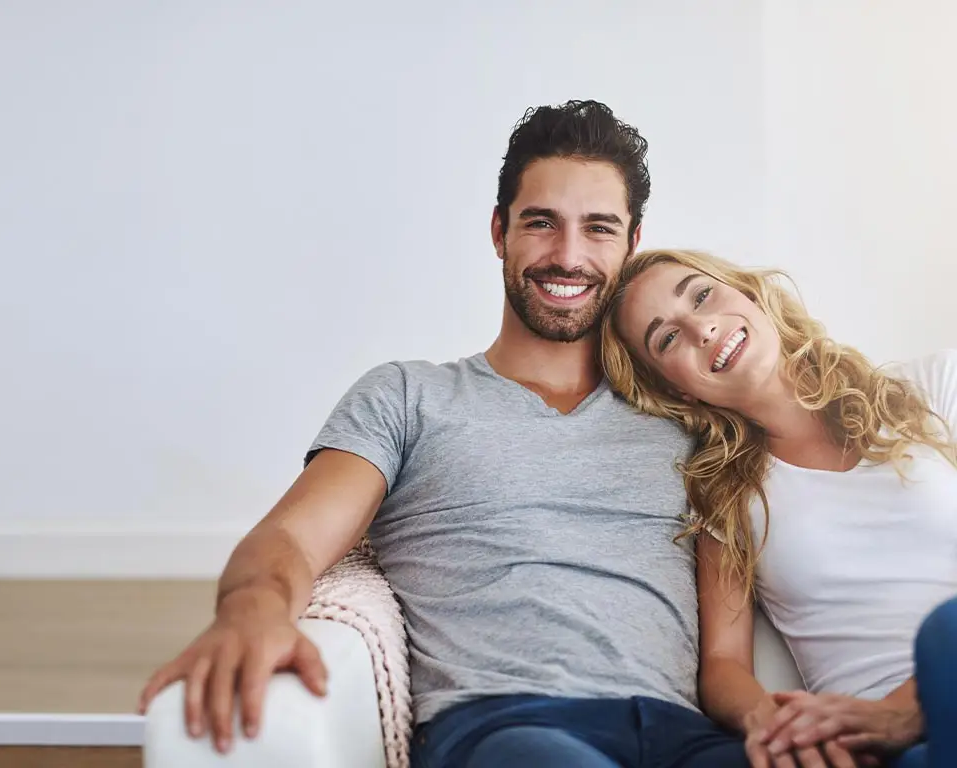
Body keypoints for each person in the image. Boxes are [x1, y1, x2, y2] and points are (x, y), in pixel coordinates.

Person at [137, 102, 749, 768]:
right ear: (498, 231)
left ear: (630, 245)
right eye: (540, 223)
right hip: (507, 731)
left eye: (598, 229)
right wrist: (251, 609)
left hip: (680, 738)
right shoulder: (407, 397)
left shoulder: (684, 416)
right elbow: (290, 537)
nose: (568, 256)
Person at [603, 247, 957, 768]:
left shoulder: (931, 390)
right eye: (669, 338)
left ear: (747, 292)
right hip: (874, 750)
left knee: (944, 632)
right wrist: (770, 722)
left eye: (702, 295)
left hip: (940, 671)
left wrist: (904, 710)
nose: (701, 328)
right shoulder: (727, 500)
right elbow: (724, 665)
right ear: (675, 389)